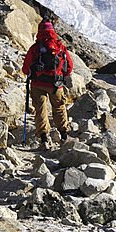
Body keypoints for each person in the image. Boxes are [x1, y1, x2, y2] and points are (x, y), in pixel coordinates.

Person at [22, 19, 74, 149]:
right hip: (56, 84)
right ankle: (64, 136)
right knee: (59, 108)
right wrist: (62, 76)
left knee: (40, 110)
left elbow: (25, 68)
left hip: (37, 84)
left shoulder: (35, 48)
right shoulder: (60, 47)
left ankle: (44, 139)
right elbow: (70, 67)